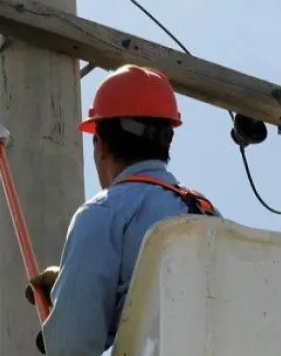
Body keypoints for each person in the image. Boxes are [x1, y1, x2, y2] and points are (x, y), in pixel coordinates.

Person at [24, 64, 220, 356]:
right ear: (166, 141)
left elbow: (72, 346)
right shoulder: (208, 214)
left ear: (100, 144)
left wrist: (69, 303)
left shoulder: (102, 214)